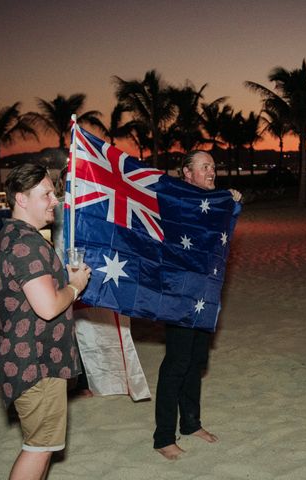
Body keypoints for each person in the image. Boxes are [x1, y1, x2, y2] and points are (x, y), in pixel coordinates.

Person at [0, 163, 91, 480]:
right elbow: (48, 307)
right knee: (39, 448)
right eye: (46, 193)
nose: (54, 200)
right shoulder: (27, 244)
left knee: (41, 446)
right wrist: (75, 286)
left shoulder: (10, 234)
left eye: (54, 192)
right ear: (21, 198)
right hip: (37, 362)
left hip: (27, 357)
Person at [154, 150, 242, 460]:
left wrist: (229, 204)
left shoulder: (212, 205)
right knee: (176, 363)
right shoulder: (175, 201)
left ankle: (191, 424)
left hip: (206, 293)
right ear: (187, 174)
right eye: (204, 166)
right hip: (179, 293)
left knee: (196, 362)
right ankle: (164, 436)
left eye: (214, 167)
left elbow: (220, 237)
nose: (211, 171)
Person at [51, 167, 151, 401]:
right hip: (63, 273)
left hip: (91, 271)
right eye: (69, 180)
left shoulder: (96, 204)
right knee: (70, 328)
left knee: (92, 326)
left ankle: (93, 378)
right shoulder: (57, 207)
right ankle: (77, 382)